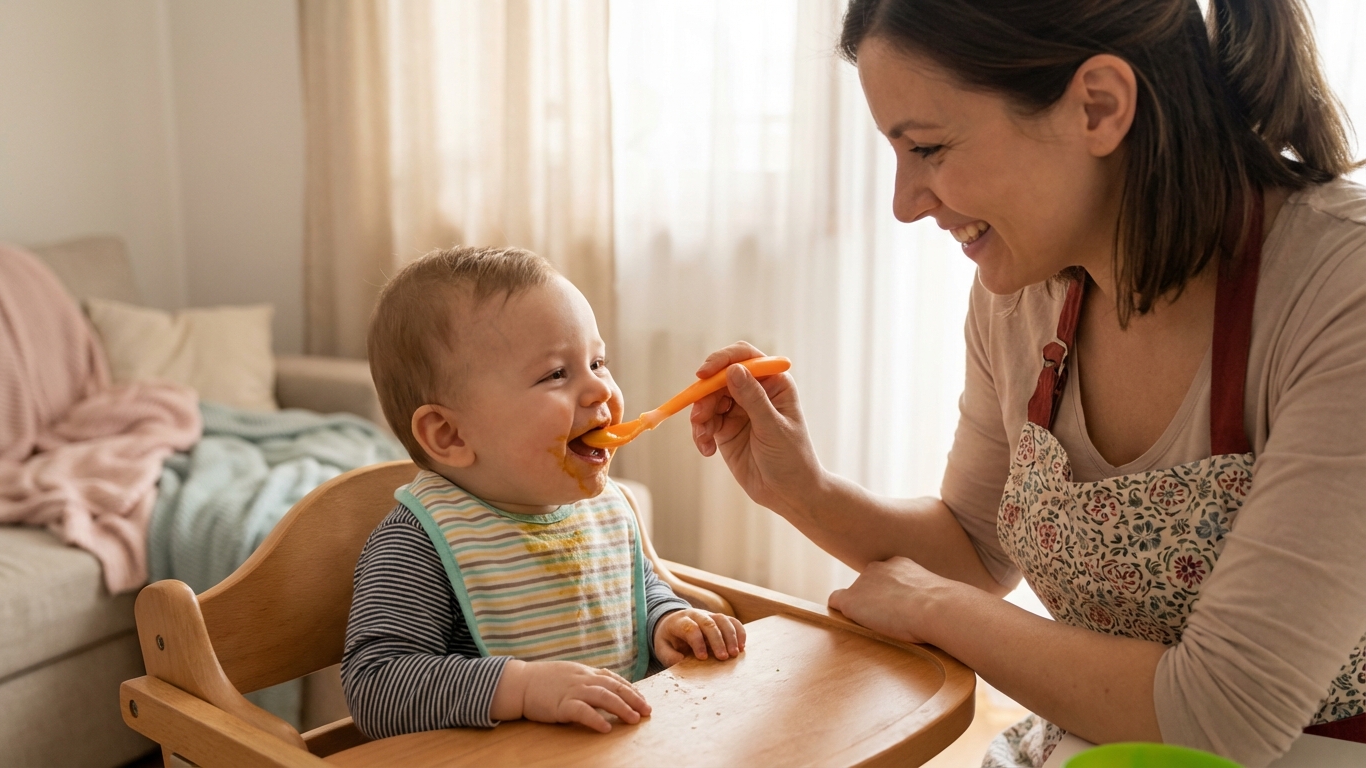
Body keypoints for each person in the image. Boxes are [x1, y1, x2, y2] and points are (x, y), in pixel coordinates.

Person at [688, 1, 1366, 766]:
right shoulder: (1022, 290)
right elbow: (975, 550)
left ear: (1099, 107)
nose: (905, 203)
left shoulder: (1344, 290)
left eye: (930, 148)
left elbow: (1221, 711)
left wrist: (936, 608)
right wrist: (801, 489)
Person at [343, 246, 745, 739]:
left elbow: (630, 590)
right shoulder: (420, 542)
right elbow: (377, 689)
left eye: (598, 362)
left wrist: (667, 620)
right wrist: (524, 687)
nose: (599, 390)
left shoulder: (602, 510)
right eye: (556, 373)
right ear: (450, 435)